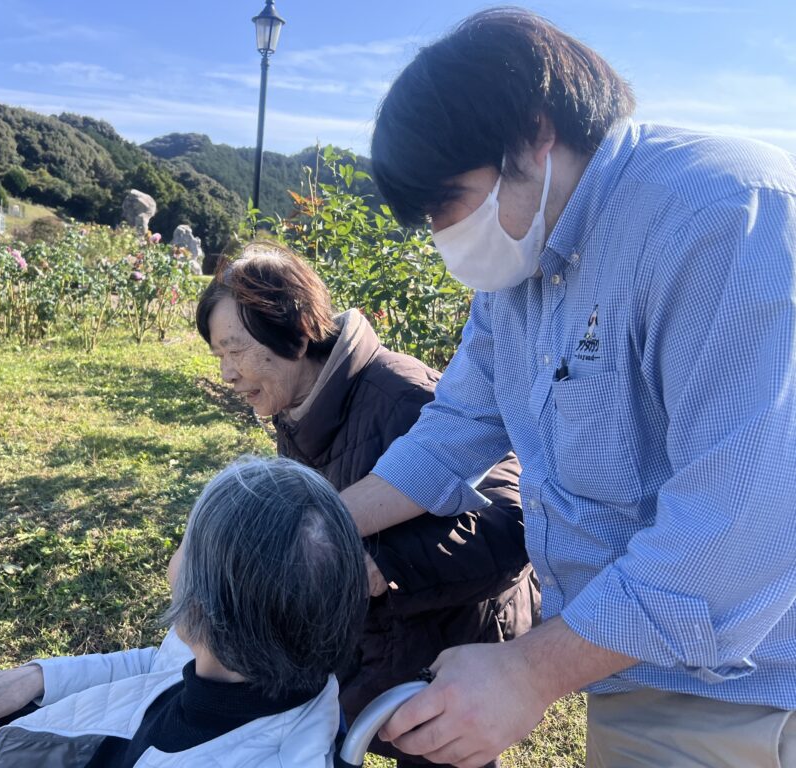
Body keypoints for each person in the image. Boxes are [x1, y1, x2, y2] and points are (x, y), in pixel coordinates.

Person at [329, 7, 796, 767]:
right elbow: (453, 432)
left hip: (746, 682)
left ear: (535, 134)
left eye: (450, 199)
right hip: (632, 661)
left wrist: (528, 669)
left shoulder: (721, 220)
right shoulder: (519, 266)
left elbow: (737, 533)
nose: (444, 233)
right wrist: (314, 526)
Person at [195, 242, 538, 767]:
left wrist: (384, 563)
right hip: (389, 643)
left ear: (297, 329)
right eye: (219, 356)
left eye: (235, 350)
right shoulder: (298, 407)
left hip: (451, 645)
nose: (227, 374)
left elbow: (512, 516)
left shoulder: (402, 395)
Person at [0, 457, 367, 767]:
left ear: (202, 602)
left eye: (185, 544)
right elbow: (158, 668)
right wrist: (40, 678)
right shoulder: (250, 658)